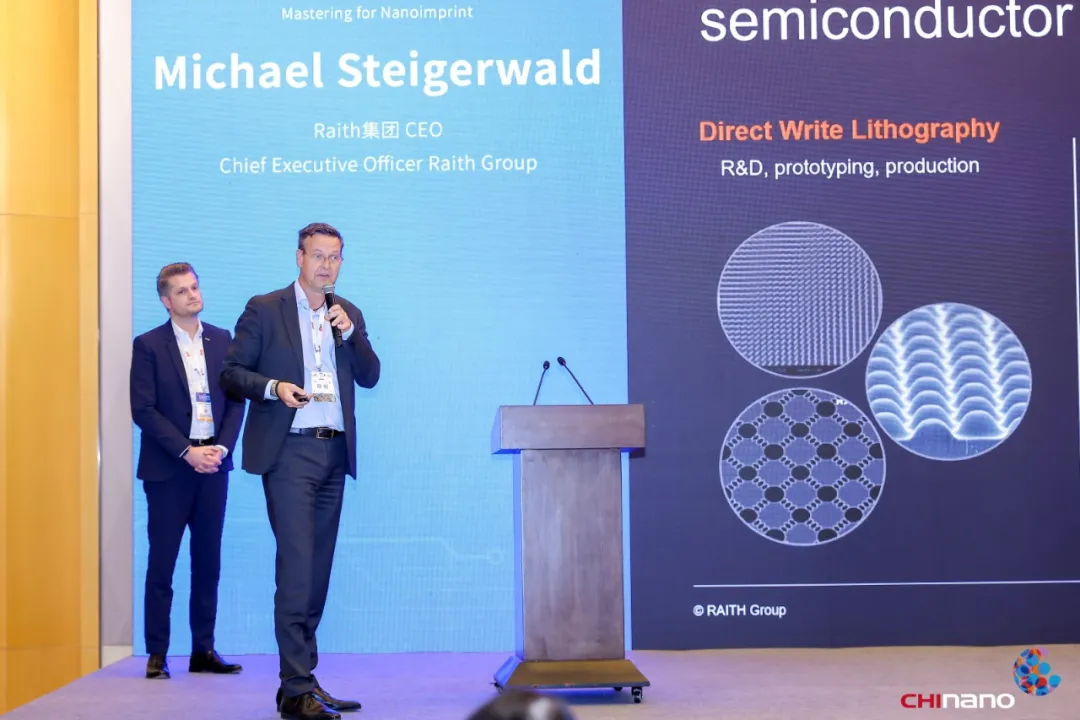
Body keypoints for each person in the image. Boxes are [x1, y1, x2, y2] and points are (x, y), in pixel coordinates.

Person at [220, 222, 381, 720]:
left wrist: (351, 335)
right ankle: (295, 687)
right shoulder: (264, 308)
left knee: (317, 575)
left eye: (334, 257)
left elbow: (371, 376)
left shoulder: (347, 313)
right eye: (317, 255)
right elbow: (231, 373)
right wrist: (273, 388)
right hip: (289, 453)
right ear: (299, 257)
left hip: (334, 453)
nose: (326, 265)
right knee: (296, 570)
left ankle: (300, 682)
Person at [129, 262, 245, 680]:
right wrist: (185, 452)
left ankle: (203, 650)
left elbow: (236, 401)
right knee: (162, 562)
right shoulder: (148, 345)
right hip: (169, 469)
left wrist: (221, 448)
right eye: (182, 291)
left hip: (214, 464)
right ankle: (157, 653)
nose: (192, 295)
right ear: (166, 301)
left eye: (194, 287)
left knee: (207, 561)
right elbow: (143, 409)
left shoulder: (222, 339)